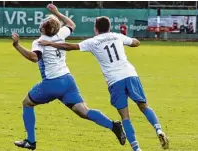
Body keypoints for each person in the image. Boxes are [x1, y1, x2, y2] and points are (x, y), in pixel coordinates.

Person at [40, 16, 169, 151]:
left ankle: (137, 149)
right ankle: (158, 129)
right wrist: (131, 41)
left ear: (96, 28)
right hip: (130, 74)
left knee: (125, 117)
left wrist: (50, 44)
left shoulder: (93, 42)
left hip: (115, 80)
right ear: (109, 27)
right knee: (144, 106)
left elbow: (69, 46)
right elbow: (136, 42)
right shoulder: (117, 36)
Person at [11, 5, 126, 150]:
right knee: (83, 111)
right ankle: (113, 125)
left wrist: (17, 45)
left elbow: (34, 58)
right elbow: (71, 24)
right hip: (67, 80)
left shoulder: (39, 41)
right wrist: (56, 12)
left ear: (43, 29)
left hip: (52, 83)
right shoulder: (61, 34)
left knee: (27, 103)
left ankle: (31, 141)